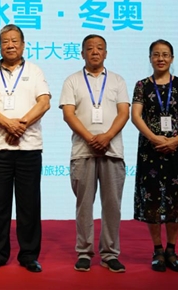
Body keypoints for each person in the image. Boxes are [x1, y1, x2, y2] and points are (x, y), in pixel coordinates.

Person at [0, 24, 50, 273]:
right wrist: (7, 124)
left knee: (29, 205)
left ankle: (29, 255)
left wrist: (21, 124)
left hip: (29, 148)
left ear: (23, 44)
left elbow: (44, 102)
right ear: (0, 46)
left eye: (14, 41)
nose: (10, 45)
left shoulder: (34, 71)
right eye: (5, 41)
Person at [59, 34, 129, 273]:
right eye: (90, 48)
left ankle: (110, 253)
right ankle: (84, 252)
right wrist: (90, 138)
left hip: (113, 151)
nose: (95, 52)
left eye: (100, 48)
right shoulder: (72, 81)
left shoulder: (118, 81)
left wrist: (107, 137)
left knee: (112, 206)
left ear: (106, 53)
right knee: (84, 205)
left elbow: (124, 113)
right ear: (82, 53)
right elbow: (69, 114)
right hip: (83, 151)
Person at [131, 39, 178, 273]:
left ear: (172, 58)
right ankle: (157, 250)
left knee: (176, 198)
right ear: (150, 58)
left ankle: (171, 250)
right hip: (151, 150)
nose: (161, 58)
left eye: (165, 54)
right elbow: (135, 116)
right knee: (152, 198)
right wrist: (155, 138)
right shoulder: (142, 85)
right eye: (156, 54)